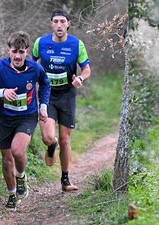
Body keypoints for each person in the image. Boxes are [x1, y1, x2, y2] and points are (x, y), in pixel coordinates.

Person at [32, 9, 91, 192]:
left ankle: (65, 179)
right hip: (46, 95)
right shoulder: (40, 42)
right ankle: (52, 145)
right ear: (51, 24)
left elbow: (86, 69)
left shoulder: (77, 44)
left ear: (68, 23)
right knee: (48, 137)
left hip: (67, 95)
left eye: (62, 21)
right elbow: (31, 65)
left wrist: (80, 78)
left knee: (66, 140)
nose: (59, 25)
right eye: (55, 21)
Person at [0, 31, 50, 211]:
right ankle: (12, 194)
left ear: (27, 51)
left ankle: (21, 176)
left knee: (17, 151)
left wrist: (43, 106)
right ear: (8, 51)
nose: (17, 56)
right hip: (6, 118)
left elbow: (45, 84)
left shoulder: (35, 68)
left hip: (27, 117)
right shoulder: (0, 67)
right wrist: (2, 92)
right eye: (14, 51)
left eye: (21, 52)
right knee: (6, 160)